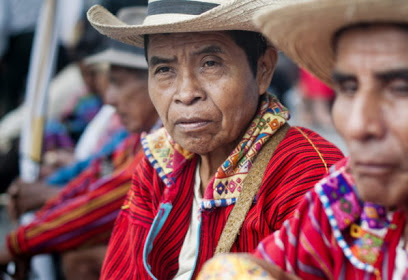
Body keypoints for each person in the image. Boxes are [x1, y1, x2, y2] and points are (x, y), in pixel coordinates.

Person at [198, 0, 408, 279]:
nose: (358, 125)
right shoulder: (350, 191)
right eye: (349, 88)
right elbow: (267, 263)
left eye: (400, 89)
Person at [87, 0, 344, 279]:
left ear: (263, 70)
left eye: (210, 64)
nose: (186, 94)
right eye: (164, 70)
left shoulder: (308, 171)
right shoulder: (159, 162)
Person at [0, 7, 160, 280]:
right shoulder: (138, 138)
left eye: (118, 83)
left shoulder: (159, 142)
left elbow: (106, 201)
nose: (109, 98)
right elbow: (96, 175)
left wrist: (19, 243)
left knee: (82, 258)